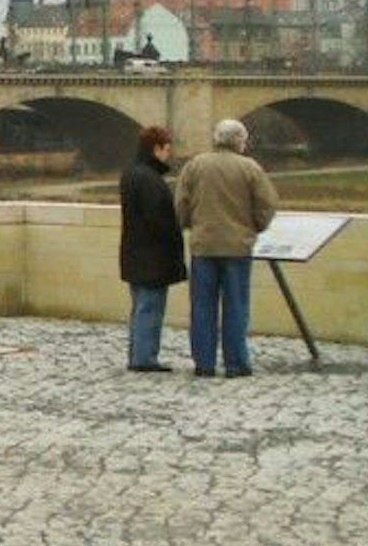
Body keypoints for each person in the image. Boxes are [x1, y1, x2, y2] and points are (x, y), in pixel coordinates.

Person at [174, 118, 278, 378]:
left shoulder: (195, 165)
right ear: (239, 142)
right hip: (237, 247)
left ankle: (204, 363)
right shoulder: (250, 168)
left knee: (201, 307)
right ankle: (236, 363)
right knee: (236, 306)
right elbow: (266, 205)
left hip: (203, 246)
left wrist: (190, 225)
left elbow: (181, 204)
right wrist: (255, 227)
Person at [117, 125, 185, 371]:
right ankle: (144, 358)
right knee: (150, 308)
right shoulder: (150, 179)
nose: (168, 154)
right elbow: (159, 220)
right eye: (166, 149)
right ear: (156, 148)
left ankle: (138, 355)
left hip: (135, 252)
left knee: (140, 308)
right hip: (152, 256)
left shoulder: (132, 174)